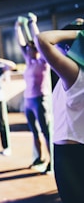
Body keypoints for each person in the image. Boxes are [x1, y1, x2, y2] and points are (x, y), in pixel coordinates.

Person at [34, 18, 84, 203]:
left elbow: (42, 39)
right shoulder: (73, 73)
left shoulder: (74, 73)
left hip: (71, 155)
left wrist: (79, 32)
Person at [15, 12, 52, 172]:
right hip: (28, 100)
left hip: (40, 100)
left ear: (36, 49)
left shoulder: (43, 61)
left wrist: (32, 23)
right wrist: (17, 27)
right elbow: (21, 42)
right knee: (35, 132)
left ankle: (52, 162)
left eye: (31, 48)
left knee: (46, 132)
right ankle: (40, 157)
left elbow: (39, 40)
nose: (28, 50)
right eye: (28, 49)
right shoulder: (29, 61)